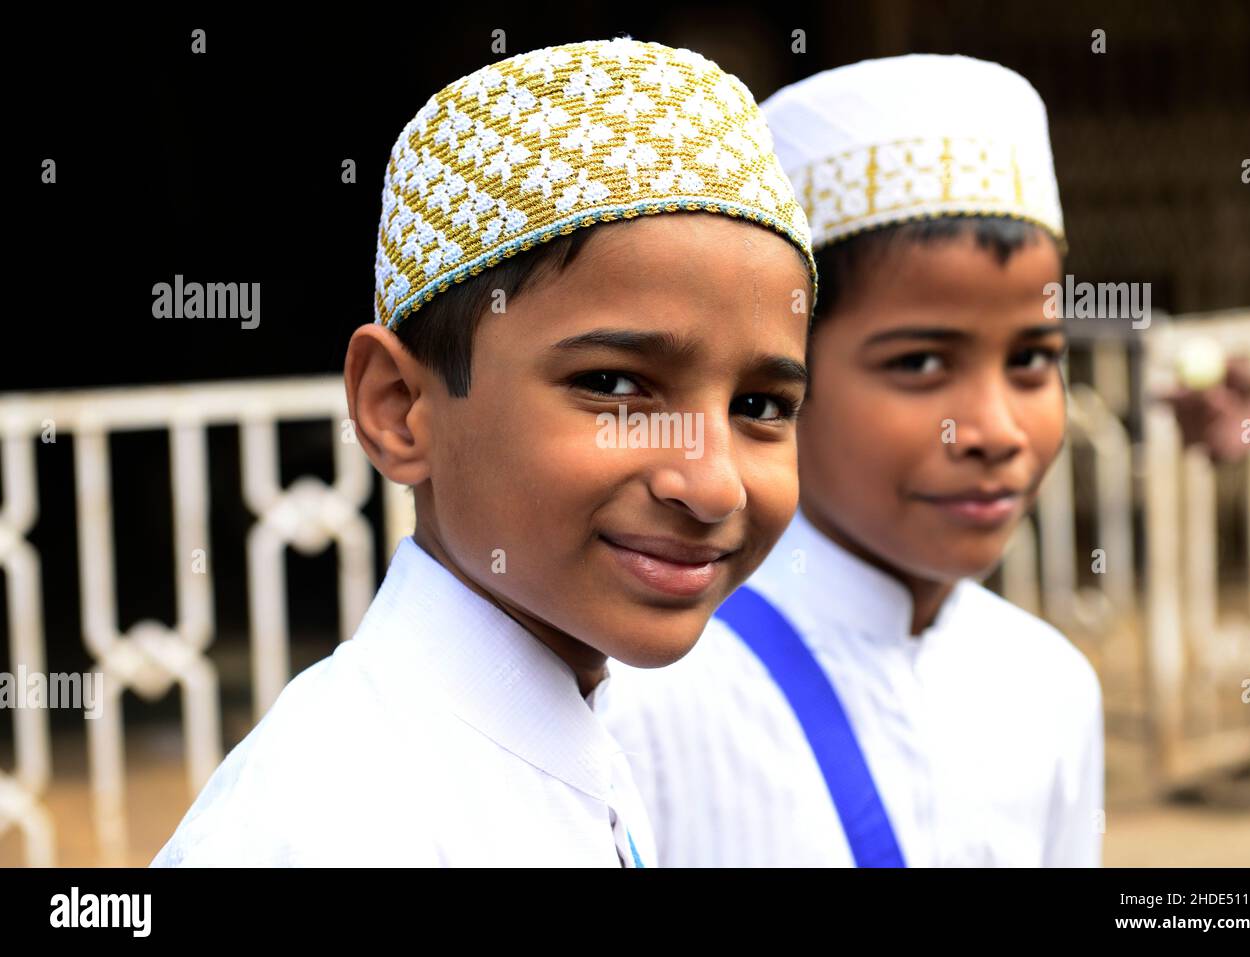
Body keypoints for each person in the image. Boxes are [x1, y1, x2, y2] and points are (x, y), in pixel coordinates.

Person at [152, 37, 817, 866]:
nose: (713, 483)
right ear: (399, 408)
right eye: (615, 387)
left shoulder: (577, 748)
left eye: (760, 406)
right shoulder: (324, 826)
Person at [602, 54, 1104, 867]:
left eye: (1034, 359)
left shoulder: (1050, 687)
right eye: (919, 364)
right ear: (784, 379)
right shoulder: (646, 698)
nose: (995, 429)